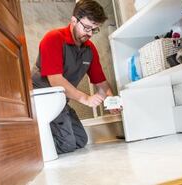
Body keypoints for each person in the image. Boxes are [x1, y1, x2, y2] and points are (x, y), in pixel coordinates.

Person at [31, 0, 120, 154]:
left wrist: (111, 101)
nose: (90, 34)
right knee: (66, 144)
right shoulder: (53, 38)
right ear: (73, 20)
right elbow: (55, 81)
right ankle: (28, 148)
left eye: (95, 29)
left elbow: (101, 83)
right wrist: (86, 99)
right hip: (41, 101)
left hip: (59, 101)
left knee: (80, 139)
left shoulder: (89, 50)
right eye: (87, 27)